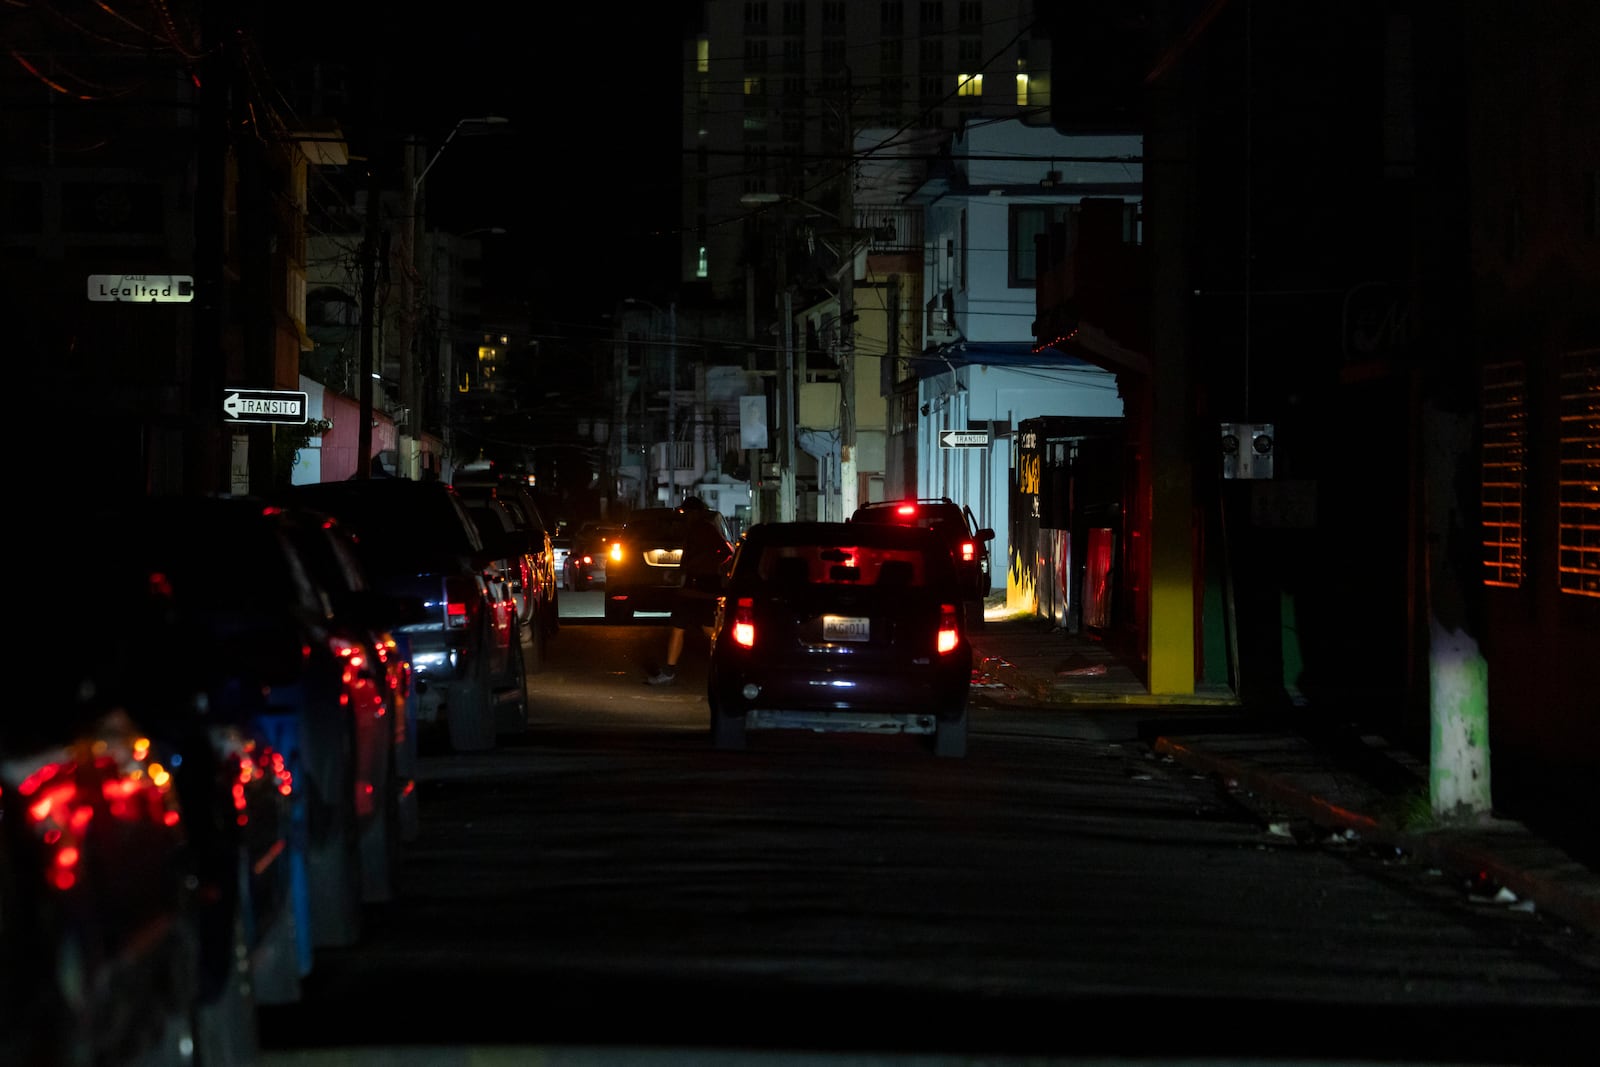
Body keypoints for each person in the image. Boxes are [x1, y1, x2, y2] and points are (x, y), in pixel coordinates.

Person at [645, 496, 733, 686]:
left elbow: (727, 551)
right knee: (682, 626)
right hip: (691, 588)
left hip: (701, 588)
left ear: (696, 513)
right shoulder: (694, 530)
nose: (684, 517)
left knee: (706, 629)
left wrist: (712, 567)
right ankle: (670, 670)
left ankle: (733, 663)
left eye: (687, 513)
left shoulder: (705, 529)